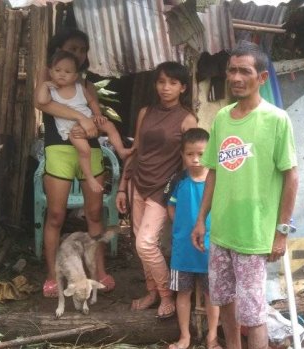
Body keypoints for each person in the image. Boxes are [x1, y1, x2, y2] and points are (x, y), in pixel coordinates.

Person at [191, 42, 299, 349]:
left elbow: (291, 177)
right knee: (224, 302)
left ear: (262, 78)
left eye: (244, 71)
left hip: (254, 234)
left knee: (254, 314)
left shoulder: (277, 120)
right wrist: (201, 220)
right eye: (232, 70)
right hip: (222, 230)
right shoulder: (223, 117)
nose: (236, 77)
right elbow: (213, 172)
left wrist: (281, 232)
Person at [34, 28, 118, 298]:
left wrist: (93, 122)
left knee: (94, 215)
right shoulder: (48, 78)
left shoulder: (86, 85)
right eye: (72, 48)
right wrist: (80, 119)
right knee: (56, 215)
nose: (77, 54)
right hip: (59, 149)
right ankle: (52, 274)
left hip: (90, 150)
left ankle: (99, 272)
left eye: (82, 50)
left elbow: (95, 116)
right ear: (58, 50)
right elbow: (43, 104)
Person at [115, 62, 197, 318]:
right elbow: (136, 149)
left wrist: (185, 195)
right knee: (140, 246)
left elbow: (192, 160)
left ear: (183, 87)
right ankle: (151, 291)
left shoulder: (187, 119)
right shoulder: (145, 112)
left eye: (173, 83)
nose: (166, 87)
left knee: (147, 243)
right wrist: (121, 186)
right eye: (161, 82)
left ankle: (166, 295)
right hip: (137, 182)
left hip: (163, 188)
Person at [36, 50, 132, 194]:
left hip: (89, 120)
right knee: (85, 150)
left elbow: (92, 101)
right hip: (71, 129)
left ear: (75, 76)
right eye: (57, 70)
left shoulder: (80, 88)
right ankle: (89, 177)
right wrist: (45, 85)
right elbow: (41, 101)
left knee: (110, 125)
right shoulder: (52, 91)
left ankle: (121, 151)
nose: (62, 74)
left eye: (67, 72)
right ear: (50, 72)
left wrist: (98, 115)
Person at [167, 128, 221, 349]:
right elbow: (171, 207)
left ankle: (212, 338)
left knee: (212, 295)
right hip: (183, 249)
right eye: (190, 154)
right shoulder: (178, 180)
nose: (196, 159)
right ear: (182, 155)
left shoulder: (218, 180)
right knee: (183, 293)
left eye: (201, 153)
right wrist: (181, 229)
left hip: (212, 247)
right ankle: (185, 337)